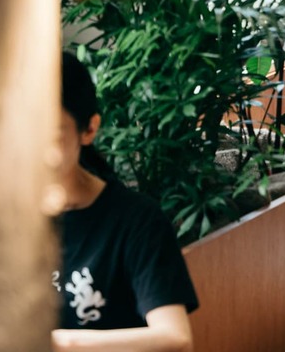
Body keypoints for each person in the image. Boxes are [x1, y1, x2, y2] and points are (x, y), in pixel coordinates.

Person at [51, 51, 199, 352]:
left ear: (89, 129)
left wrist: (59, 344)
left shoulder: (136, 221)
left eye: (50, 136)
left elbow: (176, 338)